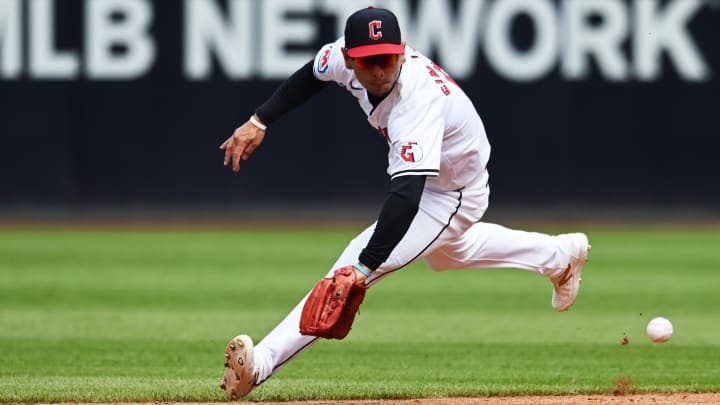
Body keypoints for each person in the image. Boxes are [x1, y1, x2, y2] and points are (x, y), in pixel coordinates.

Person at [218, 6, 590, 400]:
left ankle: (260, 365)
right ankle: (559, 255)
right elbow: (311, 74)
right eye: (368, 60)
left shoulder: (416, 100)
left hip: (452, 191)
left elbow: (406, 195)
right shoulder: (340, 58)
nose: (379, 69)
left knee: (349, 266)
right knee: (448, 253)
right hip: (441, 180)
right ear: (349, 57)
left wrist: (364, 267)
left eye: (387, 58)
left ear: (403, 50)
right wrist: (260, 120)